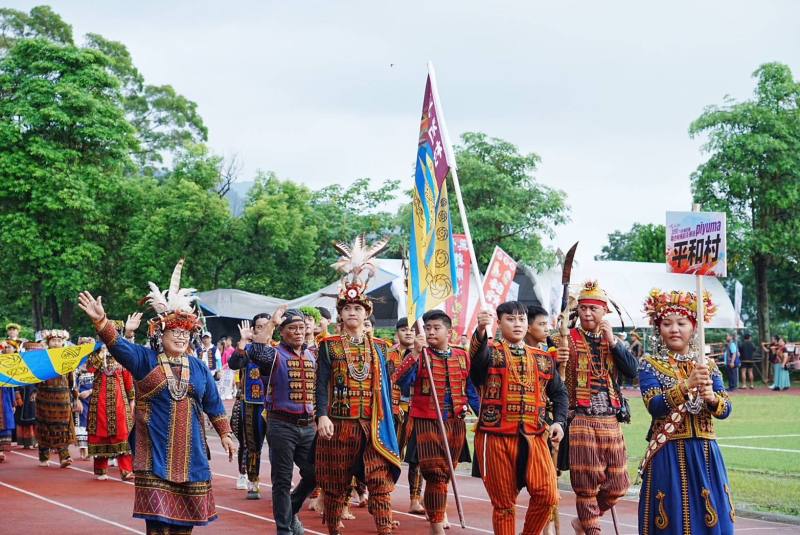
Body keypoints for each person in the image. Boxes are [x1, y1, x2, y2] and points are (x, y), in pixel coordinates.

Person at [77, 259, 236, 534]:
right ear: (160, 334)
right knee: (158, 526)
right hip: (153, 454)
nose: (180, 337)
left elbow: (213, 403)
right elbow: (118, 346)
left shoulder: (198, 367)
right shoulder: (144, 360)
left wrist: (225, 434)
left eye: (185, 333)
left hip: (192, 455)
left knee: (185, 525)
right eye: (174, 332)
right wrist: (101, 321)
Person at [315, 236, 401, 535]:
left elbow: (390, 385)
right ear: (341, 313)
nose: (352, 312)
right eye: (347, 308)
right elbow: (321, 383)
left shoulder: (381, 346)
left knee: (378, 479)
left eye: (358, 308)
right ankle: (334, 527)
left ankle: (384, 527)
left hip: (372, 424)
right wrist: (321, 415)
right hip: (340, 423)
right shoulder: (329, 346)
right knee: (337, 481)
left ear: (367, 313)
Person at [638, 288, 734, 534]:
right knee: (672, 516)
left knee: (709, 514)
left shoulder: (708, 365)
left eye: (681, 323)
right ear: (658, 329)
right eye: (667, 323)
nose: (674, 329)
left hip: (704, 451)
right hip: (668, 450)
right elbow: (655, 405)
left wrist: (712, 398)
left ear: (693, 328)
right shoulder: (649, 364)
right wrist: (687, 385)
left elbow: (726, 410)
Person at [470, 301, 568, 535]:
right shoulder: (491, 352)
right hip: (496, 436)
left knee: (548, 495)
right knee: (504, 505)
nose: (517, 324)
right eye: (510, 319)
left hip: (534, 436)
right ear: (499, 322)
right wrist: (481, 331)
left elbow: (560, 393)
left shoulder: (542, 358)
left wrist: (559, 421)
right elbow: (477, 364)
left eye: (521, 319)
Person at [555, 280, 638, 535]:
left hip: (610, 419)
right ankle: (592, 530)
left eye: (593, 308)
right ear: (576, 311)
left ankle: (583, 522)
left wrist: (613, 342)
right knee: (586, 484)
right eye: (583, 308)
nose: (588, 313)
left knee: (618, 484)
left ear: (605, 312)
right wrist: (558, 353)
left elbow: (633, 371)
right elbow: (554, 374)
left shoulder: (613, 342)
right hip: (580, 418)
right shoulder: (566, 338)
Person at [393, 310, 479, 534]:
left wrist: (484, 416)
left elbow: (469, 389)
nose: (430, 332)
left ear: (448, 332)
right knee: (435, 472)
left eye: (436, 328)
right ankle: (437, 524)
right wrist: (415, 353)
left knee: (447, 472)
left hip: (455, 421)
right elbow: (400, 381)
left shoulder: (462, 355)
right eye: (427, 328)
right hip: (427, 420)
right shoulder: (419, 355)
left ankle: (437, 511)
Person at [238, 307, 317, 535]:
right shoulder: (273, 356)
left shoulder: (312, 354)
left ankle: (290, 511)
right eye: (292, 328)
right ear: (282, 332)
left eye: (301, 328)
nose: (298, 332)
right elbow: (257, 351)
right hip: (281, 425)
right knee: (282, 480)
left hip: (308, 426)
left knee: (315, 474)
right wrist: (271, 323)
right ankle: (284, 530)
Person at [228, 312, 271, 500]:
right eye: (259, 327)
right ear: (253, 330)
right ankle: (252, 481)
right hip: (252, 405)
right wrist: (242, 343)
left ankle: (281, 482)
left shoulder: (279, 350)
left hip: (275, 405)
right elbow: (233, 364)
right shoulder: (248, 350)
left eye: (266, 326)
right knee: (252, 446)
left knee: (280, 446)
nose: (262, 330)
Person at [388, 317, 425, 515]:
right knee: (388, 455)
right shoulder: (387, 354)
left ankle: (415, 499)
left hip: (417, 411)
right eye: (404, 329)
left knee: (416, 458)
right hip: (392, 411)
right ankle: (381, 494)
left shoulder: (427, 354)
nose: (409, 333)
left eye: (412, 329)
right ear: (397, 333)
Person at [86, 340, 136, 481]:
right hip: (99, 403)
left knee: (123, 434)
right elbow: (90, 368)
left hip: (119, 403)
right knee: (100, 434)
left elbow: (128, 380)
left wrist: (132, 400)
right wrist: (101, 352)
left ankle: (126, 470)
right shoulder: (96, 356)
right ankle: (101, 469)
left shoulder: (121, 358)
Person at [35, 329, 76, 468]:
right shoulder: (42, 358)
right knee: (44, 424)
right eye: (54, 340)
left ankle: (64, 457)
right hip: (44, 396)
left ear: (63, 342)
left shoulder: (67, 358)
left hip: (62, 397)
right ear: (48, 342)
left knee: (63, 426)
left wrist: (75, 396)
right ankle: (43, 456)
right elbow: (36, 376)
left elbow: (71, 379)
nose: (56, 343)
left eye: (59, 340)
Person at [13, 341, 38, 449]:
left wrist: (37, 392)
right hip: (22, 393)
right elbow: (14, 379)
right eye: (28, 350)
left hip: (33, 393)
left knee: (35, 417)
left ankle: (36, 441)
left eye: (33, 350)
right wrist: (17, 393)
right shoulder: (19, 363)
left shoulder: (39, 364)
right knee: (22, 416)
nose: (30, 352)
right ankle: (25, 441)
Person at [0, 342, 15, 462]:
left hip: (4, 398)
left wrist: (13, 402)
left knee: (4, 422)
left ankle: (0, 451)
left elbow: (11, 384)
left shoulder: (5, 365)